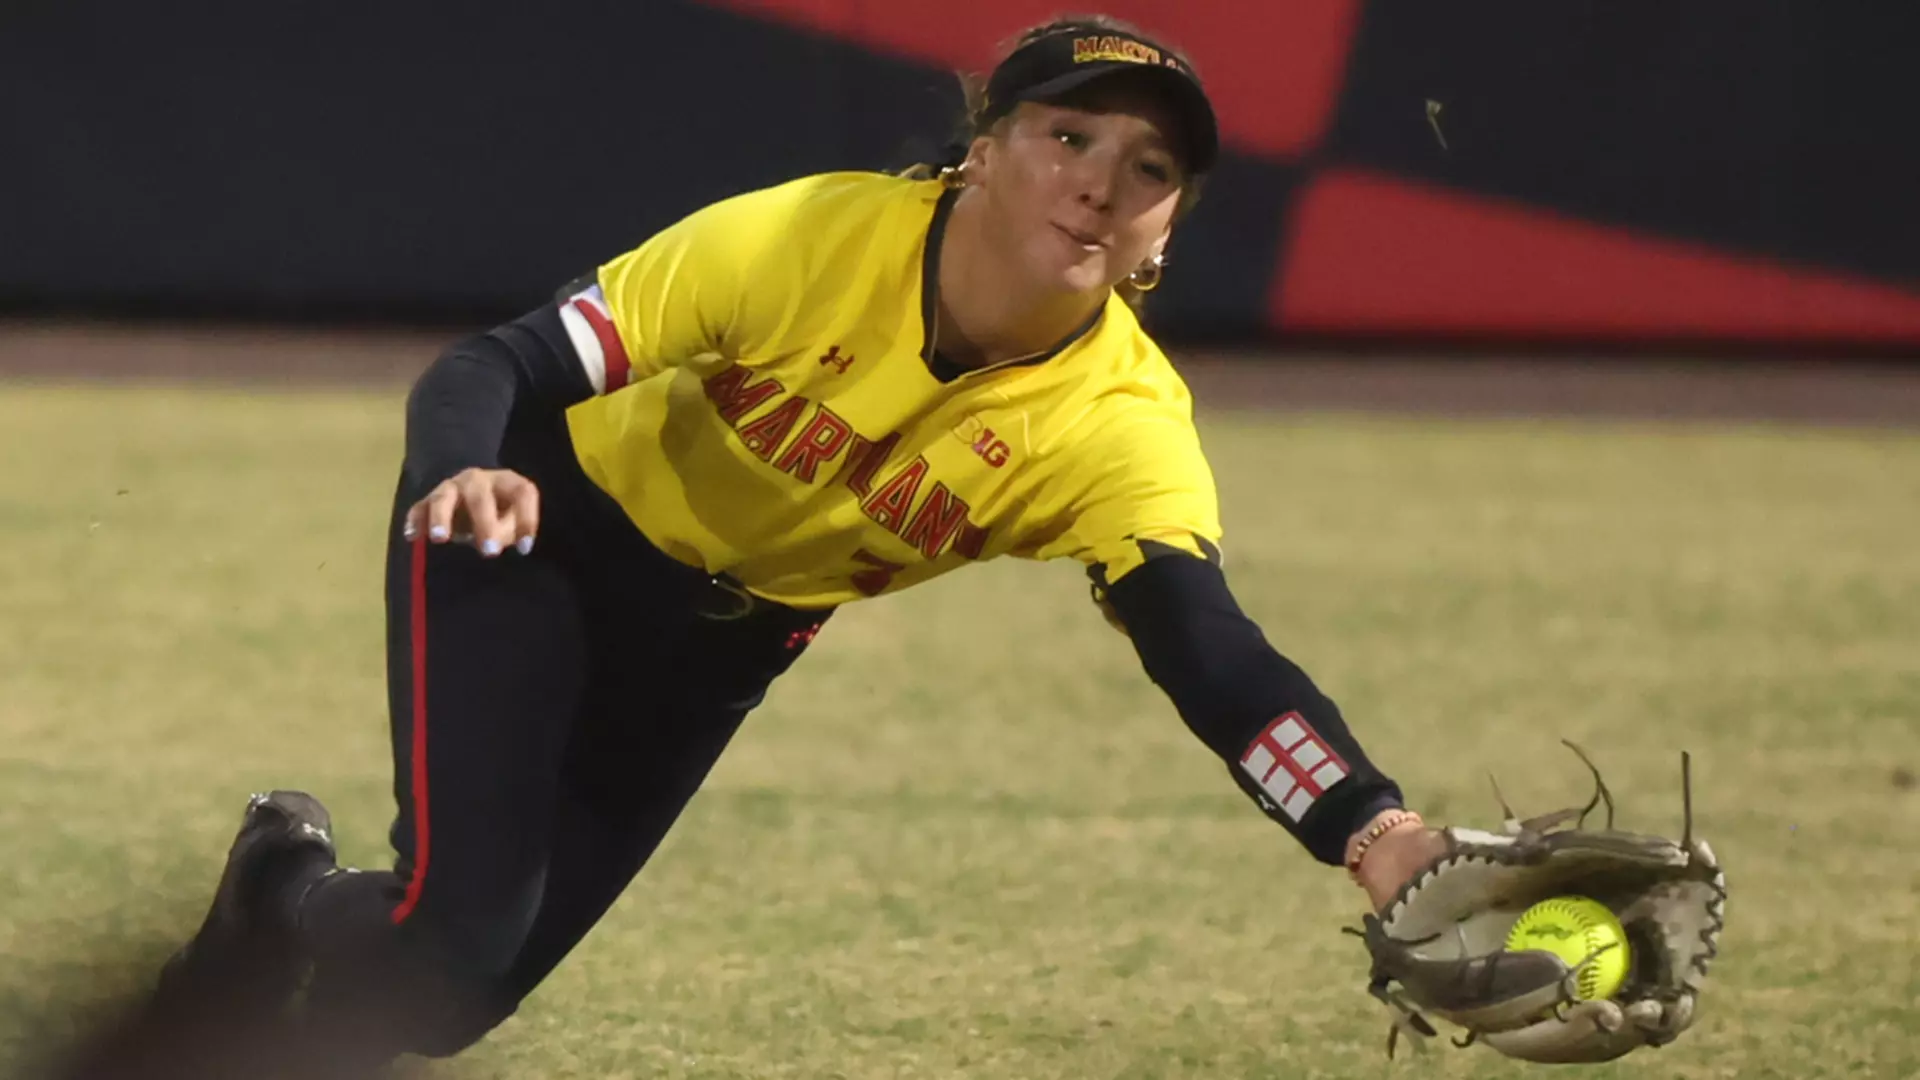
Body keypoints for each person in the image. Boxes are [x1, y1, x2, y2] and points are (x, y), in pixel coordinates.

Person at [158, 13, 1447, 1070]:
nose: (1105, 183)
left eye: (1152, 169)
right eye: (1069, 135)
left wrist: (1366, 825)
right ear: (985, 149)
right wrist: (465, 471)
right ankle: (284, 912)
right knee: (452, 928)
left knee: (447, 1008)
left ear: (1168, 226)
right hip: (535, 531)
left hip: (718, 647)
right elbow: (497, 360)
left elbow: (1207, 650)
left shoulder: (1116, 425)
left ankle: (281, 892)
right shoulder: (812, 241)